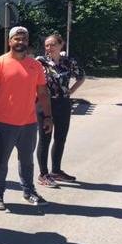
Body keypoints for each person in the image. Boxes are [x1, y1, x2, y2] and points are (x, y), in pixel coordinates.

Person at [0, 26, 53, 210]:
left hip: (29, 123)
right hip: (4, 123)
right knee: (0, 162)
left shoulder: (35, 65)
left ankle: (29, 191)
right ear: (10, 41)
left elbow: (43, 93)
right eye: (17, 39)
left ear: (27, 41)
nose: (20, 42)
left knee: (27, 160)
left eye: (24, 39)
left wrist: (47, 117)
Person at [35, 34, 85, 187]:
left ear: (60, 45)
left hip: (63, 103)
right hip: (45, 103)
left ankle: (56, 170)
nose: (49, 48)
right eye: (47, 45)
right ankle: (43, 174)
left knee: (60, 138)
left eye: (52, 45)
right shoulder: (40, 62)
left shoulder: (68, 62)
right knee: (45, 139)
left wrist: (70, 91)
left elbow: (81, 77)